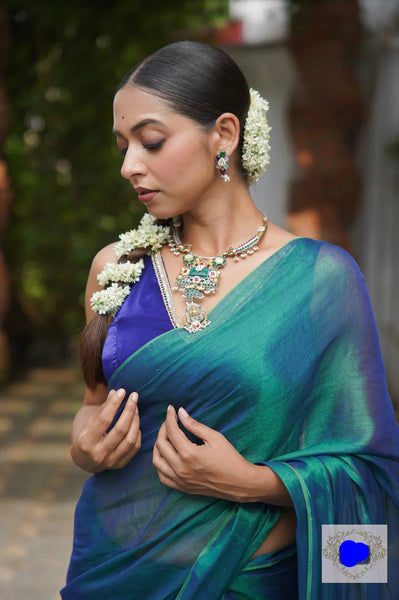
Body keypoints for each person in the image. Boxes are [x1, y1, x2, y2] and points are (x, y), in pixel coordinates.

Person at [61, 41, 399, 599]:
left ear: (224, 134)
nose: (129, 167)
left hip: (252, 579)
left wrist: (249, 483)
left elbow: (369, 470)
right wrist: (83, 447)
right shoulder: (115, 268)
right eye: (122, 147)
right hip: (114, 572)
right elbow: (92, 405)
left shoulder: (319, 281)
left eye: (151, 141)